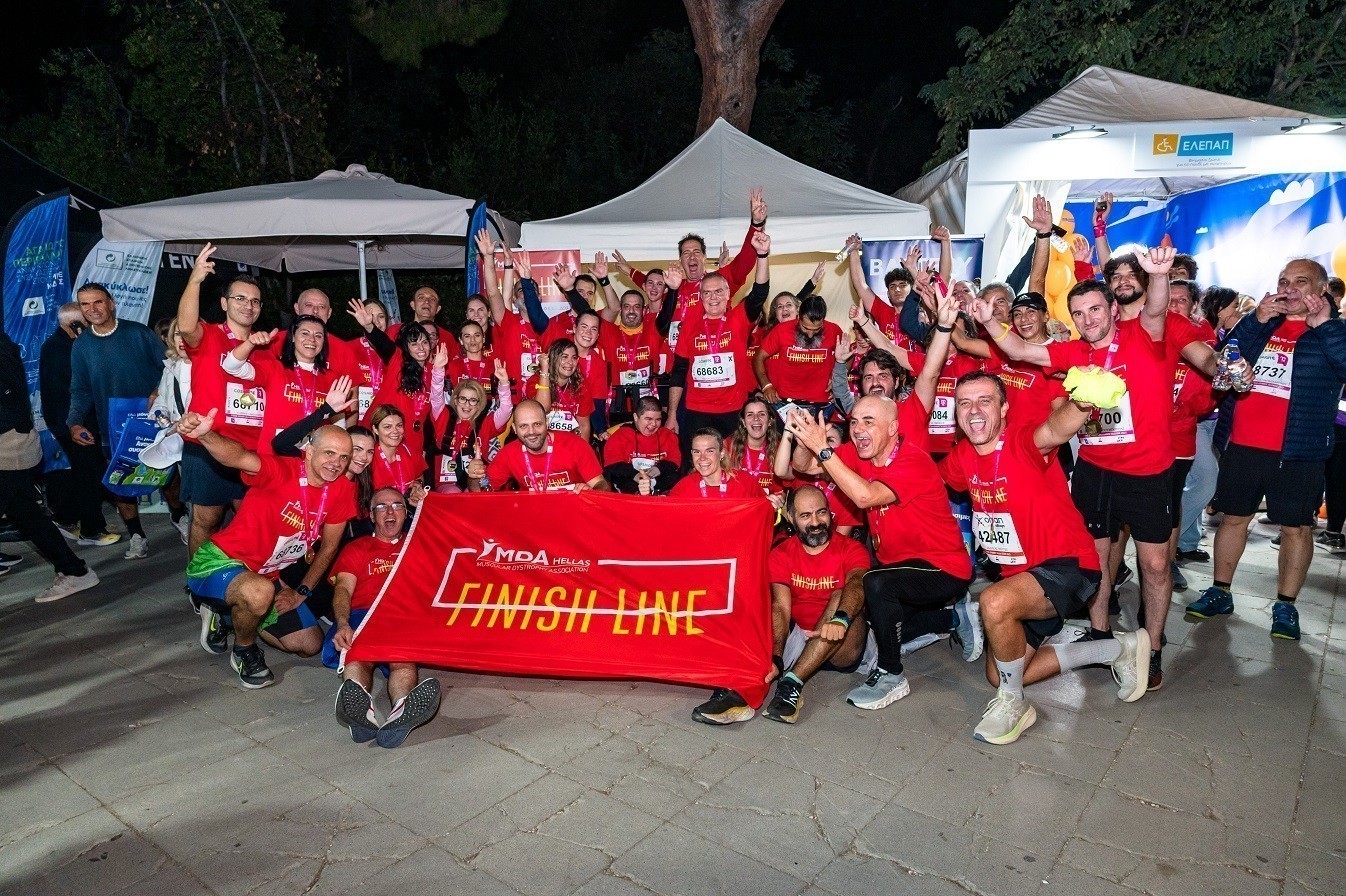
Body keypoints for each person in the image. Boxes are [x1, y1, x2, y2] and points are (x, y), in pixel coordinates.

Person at [973, 246, 1187, 690]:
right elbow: (1018, 348)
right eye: (1078, 313)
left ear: (1112, 308)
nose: (1088, 319)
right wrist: (989, 320)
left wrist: (1159, 275)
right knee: (1096, 559)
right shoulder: (1073, 352)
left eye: (1095, 309)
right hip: (1094, 471)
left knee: (1154, 565)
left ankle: (1153, 646)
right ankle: (1101, 633)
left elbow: (1156, 307)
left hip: (1148, 473)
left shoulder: (1143, 335)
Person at [939, 371, 1150, 744]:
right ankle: (1118, 648)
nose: (974, 411)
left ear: (1004, 408)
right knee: (1001, 672)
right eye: (964, 403)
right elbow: (928, 482)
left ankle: (1014, 704)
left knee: (994, 602)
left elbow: (1054, 429)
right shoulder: (962, 457)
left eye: (985, 401)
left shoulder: (1022, 442)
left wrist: (1082, 403)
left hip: (1069, 566)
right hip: (1021, 578)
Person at [1187, 260, 1346, 641]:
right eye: (1283, 281)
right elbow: (1222, 359)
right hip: (1244, 445)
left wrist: (1324, 326)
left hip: (1299, 450)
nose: (1288, 288)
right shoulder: (1262, 322)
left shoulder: (1332, 330)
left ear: (1320, 290)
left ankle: (1286, 605)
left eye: (1300, 282)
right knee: (1233, 519)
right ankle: (1220, 591)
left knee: (1296, 528)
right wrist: (1255, 319)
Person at [786, 393, 976, 710]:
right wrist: (807, 438)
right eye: (854, 422)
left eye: (869, 422)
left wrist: (823, 448)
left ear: (892, 428)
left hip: (942, 568)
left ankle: (891, 675)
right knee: (880, 628)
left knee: (874, 583)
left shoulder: (913, 461)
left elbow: (865, 496)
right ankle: (953, 617)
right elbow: (803, 466)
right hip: (898, 569)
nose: (858, 429)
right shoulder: (858, 454)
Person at [180, 410, 357, 687]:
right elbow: (238, 456)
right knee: (258, 592)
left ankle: (228, 616)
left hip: (266, 575)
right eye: (330, 453)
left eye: (344, 457)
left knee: (309, 644)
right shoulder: (281, 469)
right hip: (219, 562)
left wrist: (301, 592)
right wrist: (206, 435)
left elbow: (328, 548)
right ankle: (244, 649)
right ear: (309, 451)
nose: (336, 463)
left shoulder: (342, 489)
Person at [176, 244, 272, 557]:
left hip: (252, 450)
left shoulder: (266, 346)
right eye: (240, 298)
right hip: (208, 445)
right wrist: (195, 279)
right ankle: (198, 579)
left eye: (255, 301)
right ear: (224, 303)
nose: (248, 305)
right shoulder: (209, 336)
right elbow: (186, 326)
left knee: (252, 520)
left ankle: (243, 577)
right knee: (207, 520)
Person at [329, 488, 441, 747]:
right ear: (371, 515)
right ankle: (360, 712)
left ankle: (401, 710)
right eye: (381, 507)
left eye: (397, 505)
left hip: (402, 616)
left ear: (405, 512)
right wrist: (343, 623)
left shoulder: (418, 543)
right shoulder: (357, 548)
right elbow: (343, 589)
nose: (390, 511)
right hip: (365, 614)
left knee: (402, 658)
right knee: (358, 654)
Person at [66, 283, 166, 560]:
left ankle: (179, 517)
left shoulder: (138, 333)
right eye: (85, 304)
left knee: (169, 477)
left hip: (153, 421)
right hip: (112, 427)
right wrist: (74, 422)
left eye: (98, 302)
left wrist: (158, 391)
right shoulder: (82, 346)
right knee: (120, 481)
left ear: (111, 303)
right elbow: (80, 390)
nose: (92, 309)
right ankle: (136, 535)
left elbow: (169, 367)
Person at [1, 330, 101, 603]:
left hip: (8, 448)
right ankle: (76, 571)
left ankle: (76, 572)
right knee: (25, 514)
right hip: (9, 446)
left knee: (26, 514)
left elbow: (11, 404)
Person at [762, 485, 873, 724]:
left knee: (840, 593)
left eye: (821, 513)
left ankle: (792, 683)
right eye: (805, 515)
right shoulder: (781, 554)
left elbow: (857, 583)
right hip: (801, 641)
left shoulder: (852, 548)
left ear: (830, 513)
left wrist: (840, 620)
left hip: (843, 642)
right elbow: (781, 607)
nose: (815, 522)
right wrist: (776, 657)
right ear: (791, 518)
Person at [617, 189, 768, 353]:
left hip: (709, 355)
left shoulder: (717, 282)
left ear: (704, 257)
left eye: (696, 252)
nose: (691, 257)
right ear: (680, 260)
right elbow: (651, 285)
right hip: (677, 362)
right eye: (686, 253)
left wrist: (756, 225)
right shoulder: (674, 287)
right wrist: (630, 271)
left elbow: (744, 262)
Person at [665, 231, 771, 453]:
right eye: (707, 293)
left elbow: (760, 293)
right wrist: (672, 414)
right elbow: (679, 371)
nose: (713, 297)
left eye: (718, 292)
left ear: (728, 294)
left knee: (732, 463)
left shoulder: (739, 318)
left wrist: (762, 255)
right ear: (700, 297)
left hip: (732, 410)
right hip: (697, 410)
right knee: (697, 463)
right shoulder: (689, 325)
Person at [40, 301, 111, 543]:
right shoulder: (61, 348)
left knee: (88, 472)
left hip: (76, 421)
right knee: (90, 475)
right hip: (74, 423)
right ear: (74, 323)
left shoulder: (65, 345)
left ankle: (66, 516)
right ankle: (91, 530)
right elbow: (78, 387)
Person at [223, 316, 342, 455]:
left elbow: (338, 423)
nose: (312, 339)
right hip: (273, 456)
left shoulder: (331, 378)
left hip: (313, 458)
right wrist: (249, 343)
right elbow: (231, 366)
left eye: (318, 336)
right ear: (293, 337)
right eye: (305, 333)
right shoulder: (275, 368)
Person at [468, 400, 611, 493]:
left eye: (537, 424)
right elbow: (481, 491)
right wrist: (474, 476)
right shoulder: (509, 454)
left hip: (573, 514)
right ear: (515, 429)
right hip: (533, 518)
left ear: (547, 423)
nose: (531, 432)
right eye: (523, 426)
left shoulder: (575, 445)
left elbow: (603, 485)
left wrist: (591, 492)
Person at [755, 294, 843, 417]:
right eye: (805, 328)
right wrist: (766, 385)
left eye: (816, 329)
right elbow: (758, 358)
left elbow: (847, 356)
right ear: (799, 317)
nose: (810, 335)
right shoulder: (781, 330)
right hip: (785, 402)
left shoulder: (834, 330)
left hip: (821, 402)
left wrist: (838, 380)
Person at [434, 360, 512, 493]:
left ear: (479, 405)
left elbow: (505, 410)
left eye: (473, 400)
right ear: (455, 400)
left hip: (476, 482)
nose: (467, 405)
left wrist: (504, 383)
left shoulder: (485, 423)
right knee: (453, 492)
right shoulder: (443, 418)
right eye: (463, 399)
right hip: (447, 484)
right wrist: (438, 370)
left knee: (480, 495)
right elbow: (436, 397)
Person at [147, 317, 193, 543]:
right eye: (177, 334)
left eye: (187, 334)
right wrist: (165, 421)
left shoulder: (213, 365)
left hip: (207, 443)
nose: (182, 340)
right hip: (180, 444)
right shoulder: (170, 369)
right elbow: (161, 403)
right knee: (190, 500)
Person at [601, 289, 668, 426]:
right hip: (617, 405)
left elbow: (666, 314)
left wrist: (672, 289)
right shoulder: (609, 332)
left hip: (648, 404)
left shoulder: (652, 331)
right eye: (626, 306)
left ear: (643, 311)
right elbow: (585, 315)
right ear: (621, 310)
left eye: (636, 306)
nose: (631, 311)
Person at [603, 397, 682, 495]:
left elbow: (675, 461)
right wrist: (635, 475)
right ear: (636, 417)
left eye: (658, 419)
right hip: (630, 483)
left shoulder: (668, 436)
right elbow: (612, 466)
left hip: (659, 483)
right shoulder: (620, 436)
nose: (653, 424)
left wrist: (659, 469)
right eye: (648, 419)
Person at [527, 338, 594, 441]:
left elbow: (584, 426)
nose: (570, 362)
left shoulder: (581, 386)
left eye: (574, 358)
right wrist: (545, 371)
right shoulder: (535, 381)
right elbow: (543, 409)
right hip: (540, 442)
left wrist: (582, 450)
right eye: (564, 357)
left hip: (569, 443)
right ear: (553, 358)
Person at [367, 405, 430, 504]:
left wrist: (417, 485)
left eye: (399, 426)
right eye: (388, 427)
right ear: (375, 429)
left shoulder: (410, 452)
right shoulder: (368, 457)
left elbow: (419, 477)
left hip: (406, 509)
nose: (395, 431)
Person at [725, 396, 782, 495]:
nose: (756, 418)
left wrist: (778, 499)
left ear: (770, 421)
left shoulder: (780, 449)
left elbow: (781, 492)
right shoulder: (729, 445)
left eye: (761, 414)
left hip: (765, 503)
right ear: (743, 422)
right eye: (750, 414)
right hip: (737, 502)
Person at [387, 284, 461, 357]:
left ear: (438, 309)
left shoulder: (447, 337)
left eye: (432, 299)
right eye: (421, 298)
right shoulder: (395, 331)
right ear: (413, 305)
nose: (427, 301)